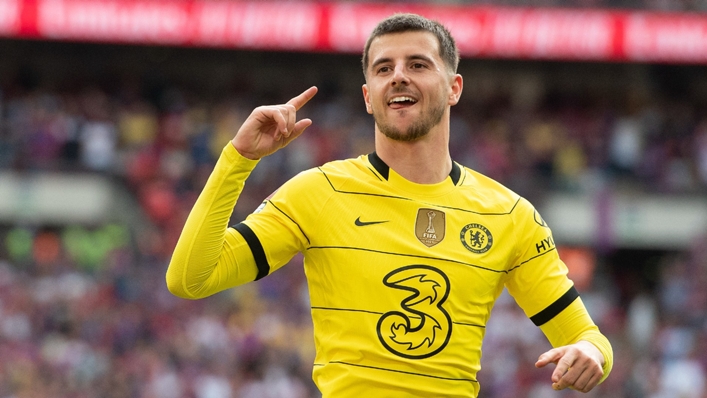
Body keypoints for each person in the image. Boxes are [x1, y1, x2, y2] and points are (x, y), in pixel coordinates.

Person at [166, 13, 613, 397]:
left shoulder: (510, 215)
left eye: (418, 64)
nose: (398, 75)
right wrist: (238, 159)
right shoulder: (318, 192)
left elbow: (586, 336)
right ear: (367, 97)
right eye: (383, 69)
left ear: (454, 87)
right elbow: (191, 279)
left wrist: (591, 353)